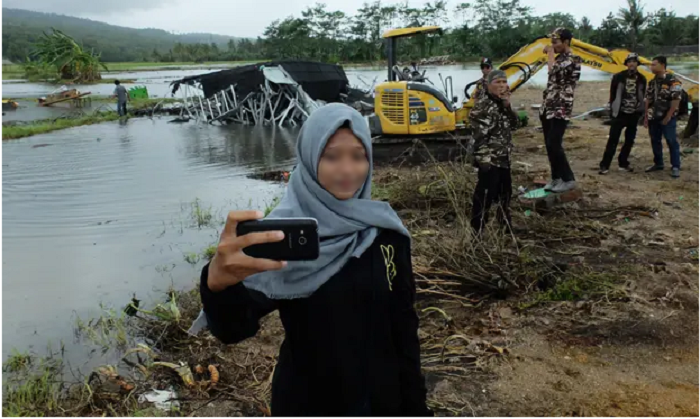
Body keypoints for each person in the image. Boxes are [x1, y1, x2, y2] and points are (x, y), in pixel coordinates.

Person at [198, 103, 431, 416]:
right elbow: (234, 330)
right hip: (308, 401)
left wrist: (415, 406)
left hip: (382, 400)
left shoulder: (385, 233)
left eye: (358, 156)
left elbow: (403, 326)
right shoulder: (282, 237)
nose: (348, 170)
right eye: (332, 156)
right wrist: (216, 284)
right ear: (308, 159)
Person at [470, 70, 520, 234]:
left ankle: (505, 228)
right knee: (484, 196)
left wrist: (508, 106)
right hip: (490, 160)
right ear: (488, 85)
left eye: (504, 82)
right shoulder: (483, 106)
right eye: (497, 82)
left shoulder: (502, 104)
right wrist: (485, 163)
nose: (501, 86)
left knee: (506, 194)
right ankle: (477, 232)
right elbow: (478, 138)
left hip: (503, 158)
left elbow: (515, 125)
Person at [540, 27, 581, 193]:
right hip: (549, 106)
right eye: (552, 43)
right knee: (549, 145)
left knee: (554, 143)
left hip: (561, 107)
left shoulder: (573, 59)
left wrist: (550, 54)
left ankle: (568, 178)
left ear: (566, 42)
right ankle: (556, 178)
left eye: (556, 42)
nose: (553, 46)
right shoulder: (559, 58)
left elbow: (552, 73)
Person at [599, 53, 647, 174]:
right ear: (626, 64)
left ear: (637, 64)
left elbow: (643, 95)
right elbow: (613, 94)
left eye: (634, 61)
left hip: (634, 114)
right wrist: (612, 110)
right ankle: (605, 165)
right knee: (613, 139)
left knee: (629, 140)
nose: (632, 64)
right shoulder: (618, 77)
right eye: (629, 61)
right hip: (620, 113)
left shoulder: (642, 78)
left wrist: (641, 111)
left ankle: (623, 163)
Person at [644, 56, 683, 178]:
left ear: (662, 65)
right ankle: (658, 163)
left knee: (671, 141)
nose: (651, 67)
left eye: (654, 64)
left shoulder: (674, 81)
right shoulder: (652, 82)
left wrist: (668, 116)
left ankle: (675, 166)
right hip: (653, 116)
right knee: (655, 140)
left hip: (667, 117)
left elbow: (676, 100)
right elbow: (648, 99)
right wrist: (646, 116)